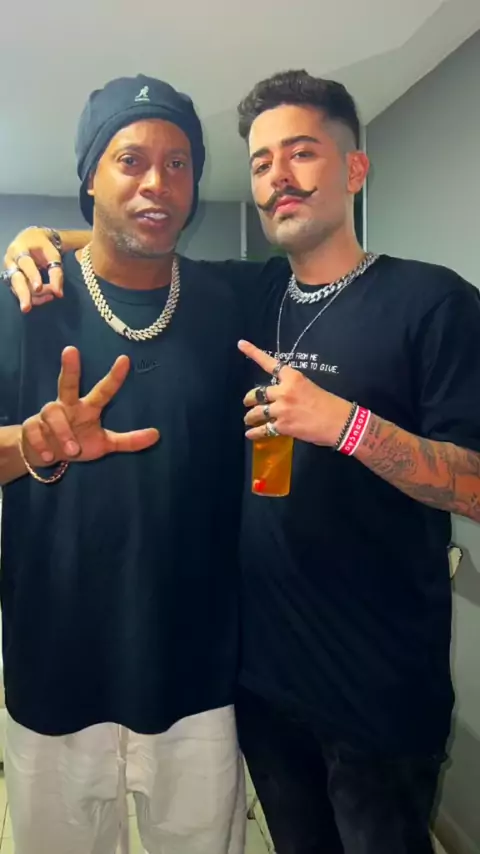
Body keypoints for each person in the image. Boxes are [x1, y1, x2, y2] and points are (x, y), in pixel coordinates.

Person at [5, 69, 480, 854]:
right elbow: (132, 238)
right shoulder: (247, 297)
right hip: (253, 688)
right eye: (262, 162)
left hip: (363, 696)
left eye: (302, 153)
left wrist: (347, 425)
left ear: (356, 168)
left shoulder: (425, 302)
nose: (279, 177)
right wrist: (39, 239)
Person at [0, 74, 247, 854]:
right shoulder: (21, 304)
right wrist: (29, 445)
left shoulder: (231, 301)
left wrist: (48, 233)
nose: (157, 183)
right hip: (54, 665)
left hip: (197, 673)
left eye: (179, 164)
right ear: (90, 177)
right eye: (130, 160)